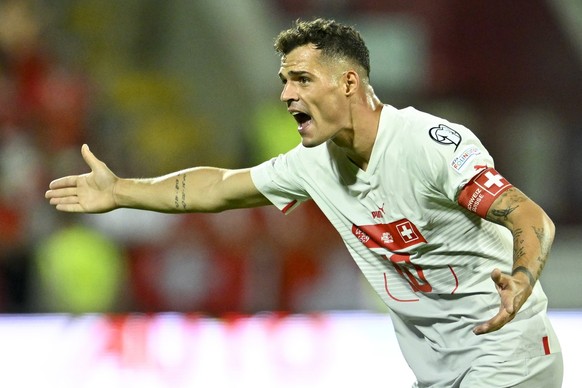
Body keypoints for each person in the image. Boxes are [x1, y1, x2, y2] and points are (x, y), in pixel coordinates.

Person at [45, 18, 563, 387]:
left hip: (506, 353)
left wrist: (520, 278)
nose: (287, 94)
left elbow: (528, 215)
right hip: (442, 366)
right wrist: (121, 192)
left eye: (302, 79)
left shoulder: (428, 145)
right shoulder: (313, 163)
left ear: (349, 82)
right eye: (284, 81)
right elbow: (219, 187)